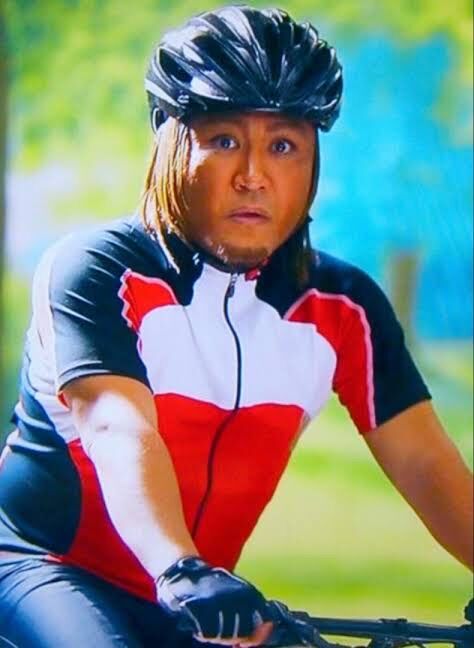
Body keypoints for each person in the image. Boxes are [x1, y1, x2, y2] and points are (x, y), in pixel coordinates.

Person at [0, 5, 472, 648]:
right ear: (169, 143)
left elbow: (423, 459)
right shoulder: (96, 269)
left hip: (196, 594)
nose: (253, 176)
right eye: (224, 140)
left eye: (283, 146)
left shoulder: (343, 307)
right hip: (45, 569)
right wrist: (181, 567)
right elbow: (116, 426)